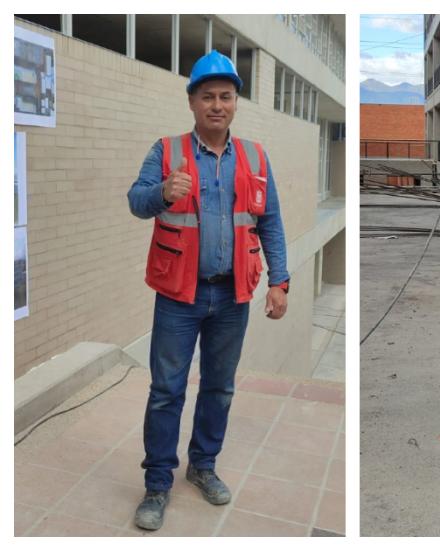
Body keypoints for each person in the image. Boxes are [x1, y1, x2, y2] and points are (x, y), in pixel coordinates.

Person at [126, 50, 290, 531]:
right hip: (179, 295)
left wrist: (279, 281)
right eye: (207, 96)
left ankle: (203, 466)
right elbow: (136, 201)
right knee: (166, 391)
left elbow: (272, 223)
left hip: (231, 296)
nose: (217, 104)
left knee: (218, 388)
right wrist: (162, 194)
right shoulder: (166, 151)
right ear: (192, 102)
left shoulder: (255, 156)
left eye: (226, 96)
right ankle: (157, 484)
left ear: (236, 102)